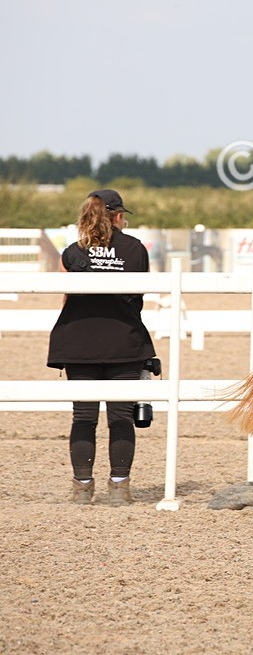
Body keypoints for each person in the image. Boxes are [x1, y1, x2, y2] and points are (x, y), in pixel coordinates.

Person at [47, 189, 156, 506]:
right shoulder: (135, 249)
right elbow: (139, 297)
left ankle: (82, 486)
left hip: (79, 341)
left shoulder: (72, 251)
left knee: (83, 417)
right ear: (119, 216)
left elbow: (64, 295)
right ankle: (120, 487)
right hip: (123, 340)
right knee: (121, 417)